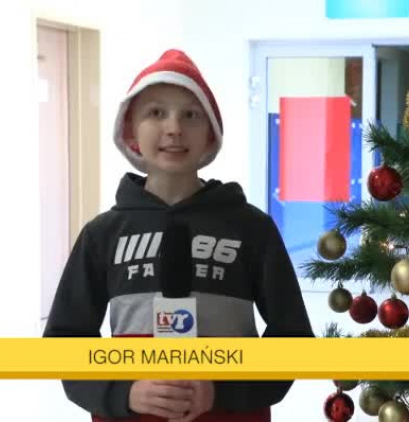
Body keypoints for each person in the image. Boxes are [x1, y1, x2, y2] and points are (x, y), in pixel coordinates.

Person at [43, 49, 315, 422]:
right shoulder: (101, 235)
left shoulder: (252, 230)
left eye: (191, 115)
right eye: (156, 113)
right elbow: (64, 343)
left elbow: (293, 339)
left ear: (210, 135)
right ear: (131, 132)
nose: (174, 128)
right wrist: (124, 391)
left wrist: (221, 388)